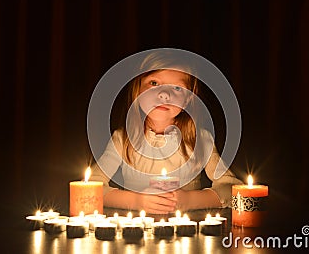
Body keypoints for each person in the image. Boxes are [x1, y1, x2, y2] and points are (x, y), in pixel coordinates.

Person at [91, 51, 242, 214]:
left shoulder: (200, 140)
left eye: (177, 88)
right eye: (154, 83)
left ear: (189, 98)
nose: (164, 94)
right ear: (138, 90)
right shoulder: (122, 139)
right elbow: (90, 190)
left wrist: (189, 201)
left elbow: (233, 190)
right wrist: (137, 201)